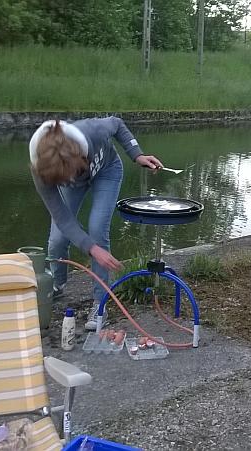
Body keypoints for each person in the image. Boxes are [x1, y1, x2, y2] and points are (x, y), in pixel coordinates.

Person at [29, 117, 163, 330]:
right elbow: (62, 218)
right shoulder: (42, 172)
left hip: (107, 171)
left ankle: (100, 302)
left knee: (97, 230)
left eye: (69, 176)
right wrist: (90, 249)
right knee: (57, 239)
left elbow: (117, 123)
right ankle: (58, 284)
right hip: (73, 179)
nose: (66, 182)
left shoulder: (93, 131)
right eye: (62, 181)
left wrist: (136, 154)